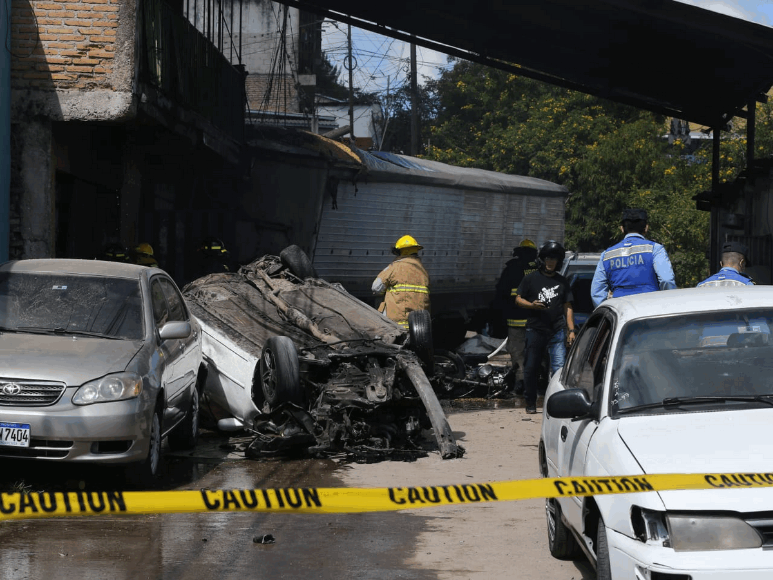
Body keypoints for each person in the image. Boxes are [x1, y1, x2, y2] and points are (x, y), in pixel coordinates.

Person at [516, 240, 576, 414]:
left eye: (554, 259)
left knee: (559, 368)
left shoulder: (562, 281)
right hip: (535, 330)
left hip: (557, 330)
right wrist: (531, 305)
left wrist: (571, 330)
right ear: (542, 259)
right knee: (531, 367)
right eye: (548, 258)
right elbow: (518, 299)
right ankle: (530, 403)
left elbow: (568, 306)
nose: (551, 262)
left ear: (559, 262)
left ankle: (559, 404)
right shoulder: (530, 278)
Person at [590, 208, 676, 307]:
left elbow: (596, 292)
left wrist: (609, 311)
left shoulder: (607, 254)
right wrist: (669, 304)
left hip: (620, 309)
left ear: (622, 228)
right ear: (646, 228)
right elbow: (667, 280)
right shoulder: (655, 249)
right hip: (651, 307)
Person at [494, 239, 538, 393]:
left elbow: (501, 293)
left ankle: (521, 381)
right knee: (536, 350)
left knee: (517, 350)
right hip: (536, 320)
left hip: (516, 319)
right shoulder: (540, 269)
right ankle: (538, 379)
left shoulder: (512, 268)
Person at [372, 235, 430, 329]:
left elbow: (376, 287)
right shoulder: (423, 272)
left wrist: (386, 291)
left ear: (400, 252)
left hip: (395, 326)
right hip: (418, 327)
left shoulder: (394, 267)